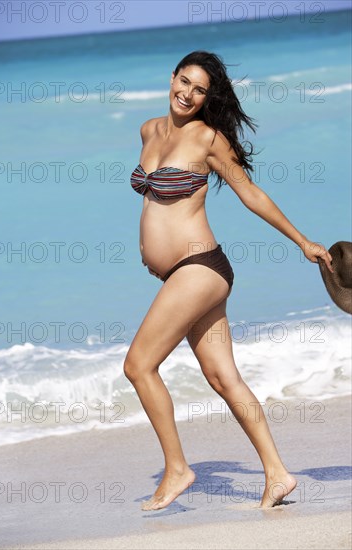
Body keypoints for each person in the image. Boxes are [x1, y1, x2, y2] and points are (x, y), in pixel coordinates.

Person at [124, 51, 334, 511]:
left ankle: (177, 469)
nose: (188, 94)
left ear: (207, 97)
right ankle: (278, 474)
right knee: (223, 377)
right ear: (171, 78)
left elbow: (249, 193)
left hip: (201, 268)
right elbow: (155, 206)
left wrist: (303, 241)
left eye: (199, 90)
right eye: (184, 82)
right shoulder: (147, 130)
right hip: (180, 275)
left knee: (138, 366)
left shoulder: (208, 139)